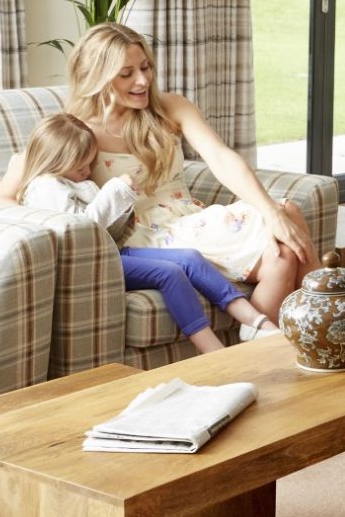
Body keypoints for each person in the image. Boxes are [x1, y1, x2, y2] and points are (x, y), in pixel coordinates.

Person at [0, 22, 315, 320]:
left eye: (145, 67)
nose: (143, 80)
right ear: (97, 75)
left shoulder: (170, 108)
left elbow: (221, 157)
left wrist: (268, 212)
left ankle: (264, 354)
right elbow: (2, 199)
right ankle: (330, 327)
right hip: (145, 238)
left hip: (189, 221)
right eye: (126, 73)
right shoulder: (72, 133)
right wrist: (58, 222)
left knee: (283, 247)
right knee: (286, 219)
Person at [15, 113, 282, 352]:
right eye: (81, 167)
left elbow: (108, 229)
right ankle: (212, 352)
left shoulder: (76, 183)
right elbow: (80, 231)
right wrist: (115, 190)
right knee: (169, 273)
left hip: (112, 252)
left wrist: (125, 205)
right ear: (56, 161)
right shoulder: (46, 187)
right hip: (87, 263)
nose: (87, 172)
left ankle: (256, 322)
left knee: (188, 257)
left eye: (89, 165)